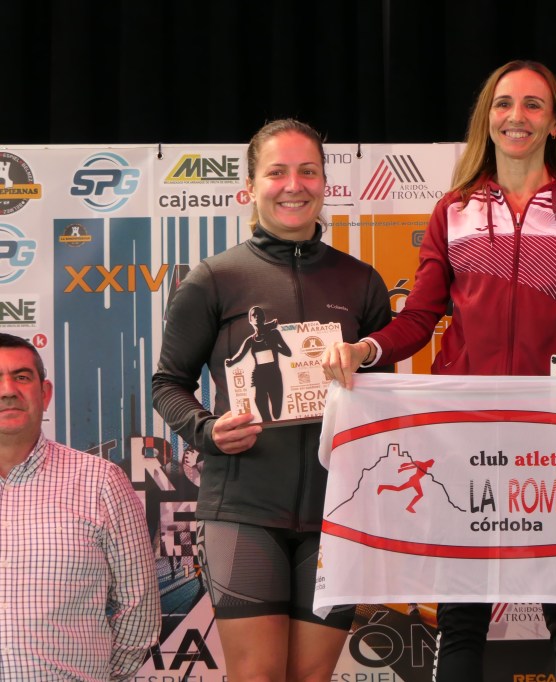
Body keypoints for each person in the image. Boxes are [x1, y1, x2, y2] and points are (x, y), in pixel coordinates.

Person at [323, 60, 556, 682]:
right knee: (462, 619)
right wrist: (366, 350)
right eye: (503, 104)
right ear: (487, 119)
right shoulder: (453, 211)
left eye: (532, 105)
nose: (515, 116)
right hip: (462, 433)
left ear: (554, 124)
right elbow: (419, 318)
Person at [152, 119, 393, 681]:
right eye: (277, 172)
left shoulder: (361, 282)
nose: (293, 185)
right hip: (243, 509)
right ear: (250, 187)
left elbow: (383, 392)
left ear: (325, 183)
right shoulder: (214, 279)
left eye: (308, 171)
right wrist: (206, 431)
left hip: (337, 512)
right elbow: (168, 383)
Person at [0, 332, 160, 680]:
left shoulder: (101, 482)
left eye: (22, 377)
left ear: (45, 394)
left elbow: (139, 605)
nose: (8, 390)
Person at [225, 305, 293, 421]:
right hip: (259, 376)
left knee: (277, 413)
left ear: (263, 318)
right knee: (259, 401)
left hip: (274, 375)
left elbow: (288, 352)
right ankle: (267, 424)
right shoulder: (250, 340)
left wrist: (275, 347)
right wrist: (231, 362)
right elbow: (240, 355)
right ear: (250, 320)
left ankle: (274, 417)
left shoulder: (274, 334)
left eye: (259, 314)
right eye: (254, 315)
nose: (256, 316)